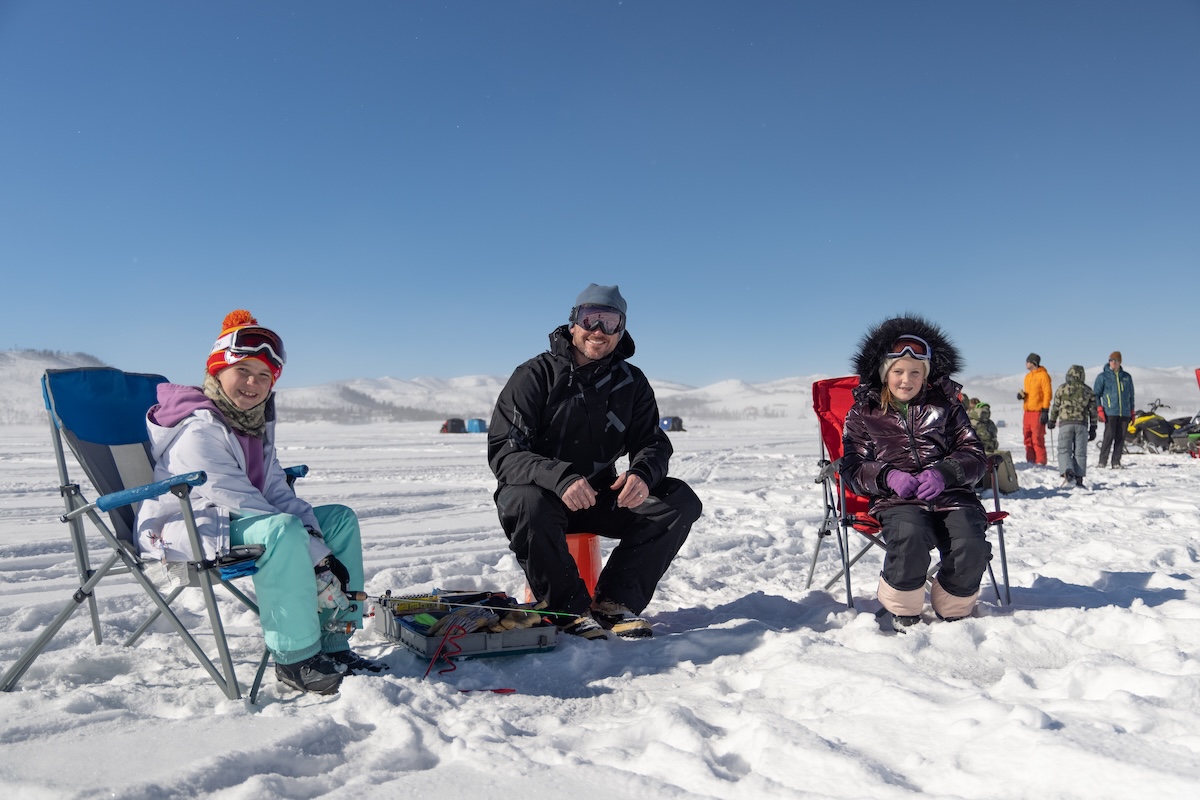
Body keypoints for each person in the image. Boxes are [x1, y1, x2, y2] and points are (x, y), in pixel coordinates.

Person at [136, 310, 379, 695]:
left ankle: (334, 643)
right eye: (243, 371)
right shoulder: (198, 430)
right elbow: (244, 501)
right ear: (217, 372)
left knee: (339, 520)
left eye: (264, 375)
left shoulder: (251, 426)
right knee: (283, 532)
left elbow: (276, 492)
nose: (253, 383)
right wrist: (318, 556)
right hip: (192, 529)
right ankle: (295, 659)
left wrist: (323, 546)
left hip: (237, 522)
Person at [488, 284, 702, 639]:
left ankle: (614, 603)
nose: (599, 332)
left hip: (599, 497)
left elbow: (652, 442)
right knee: (525, 500)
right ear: (573, 323)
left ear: (621, 330)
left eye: (610, 322)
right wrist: (560, 478)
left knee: (678, 501)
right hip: (541, 498)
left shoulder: (632, 383)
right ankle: (566, 609)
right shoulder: (533, 376)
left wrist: (642, 475)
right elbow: (505, 451)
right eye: (591, 319)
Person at [840, 315, 991, 632]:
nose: (905, 379)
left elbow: (974, 453)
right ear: (884, 374)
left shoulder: (947, 406)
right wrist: (887, 476)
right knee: (909, 534)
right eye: (897, 371)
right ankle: (903, 607)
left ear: (926, 375)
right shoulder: (863, 412)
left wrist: (945, 472)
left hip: (951, 495)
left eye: (915, 372)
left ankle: (954, 604)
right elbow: (853, 466)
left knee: (970, 543)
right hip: (898, 500)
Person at [1047, 365, 1099, 487]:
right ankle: (1079, 479)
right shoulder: (1088, 391)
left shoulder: (1061, 389)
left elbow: (1055, 407)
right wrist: (1093, 428)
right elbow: (1093, 411)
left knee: (1064, 450)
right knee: (1080, 452)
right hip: (1082, 425)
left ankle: (1068, 471)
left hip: (1065, 424)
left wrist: (1052, 421)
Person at [1093, 351, 1135, 469]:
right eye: (1111, 360)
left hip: (1124, 412)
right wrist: (1100, 409)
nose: (1113, 363)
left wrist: (1132, 412)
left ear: (1119, 362)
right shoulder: (1103, 377)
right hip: (1110, 412)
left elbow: (1131, 395)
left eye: (1115, 361)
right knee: (1108, 436)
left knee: (1120, 438)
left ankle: (1116, 461)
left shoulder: (1126, 377)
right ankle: (1102, 461)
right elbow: (1096, 395)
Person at [1017, 353, 1052, 465]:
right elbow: (1028, 394)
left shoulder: (1043, 376)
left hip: (1038, 411)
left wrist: (1045, 410)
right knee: (1027, 437)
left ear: (1033, 363)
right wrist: (1022, 396)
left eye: (1028, 361)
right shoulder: (1027, 377)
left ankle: (1040, 461)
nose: (1026, 363)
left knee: (1037, 437)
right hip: (1027, 411)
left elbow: (1047, 394)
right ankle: (1030, 460)